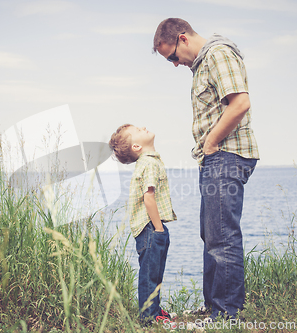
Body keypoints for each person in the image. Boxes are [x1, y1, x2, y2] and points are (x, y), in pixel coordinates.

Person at [153, 18, 259, 320]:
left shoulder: (218, 54)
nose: (174, 64)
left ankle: (225, 315)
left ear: (183, 39)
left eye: (172, 56)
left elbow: (240, 103)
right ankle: (214, 306)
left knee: (222, 237)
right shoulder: (201, 65)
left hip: (225, 154)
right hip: (214, 158)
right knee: (211, 235)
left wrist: (211, 143)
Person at [108, 124, 177, 327]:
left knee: (153, 271)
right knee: (150, 274)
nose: (144, 127)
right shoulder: (149, 164)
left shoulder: (149, 161)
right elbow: (149, 197)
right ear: (137, 146)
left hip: (149, 226)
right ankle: (149, 316)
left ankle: (153, 310)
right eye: (139, 129)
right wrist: (159, 228)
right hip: (150, 227)